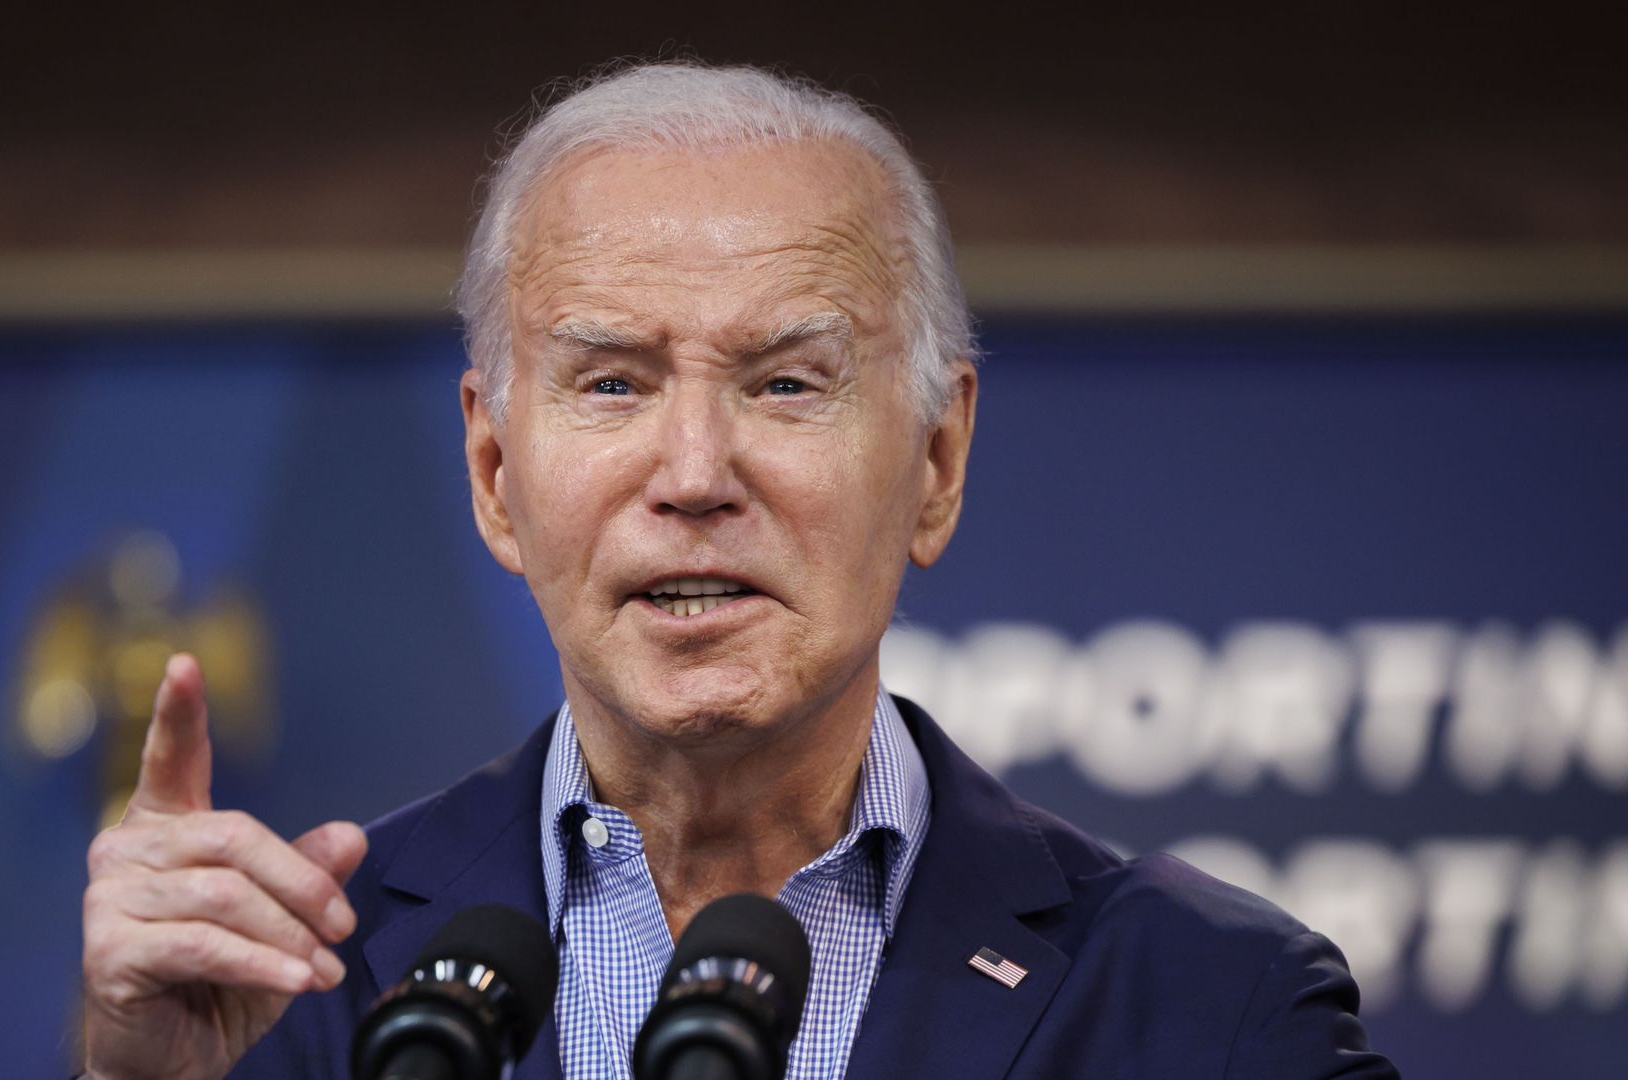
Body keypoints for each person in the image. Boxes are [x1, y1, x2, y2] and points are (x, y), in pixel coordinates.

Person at [78, 62, 1398, 1079]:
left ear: (935, 461)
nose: (696, 471)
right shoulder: (299, 987)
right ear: (494, 476)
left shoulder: (1211, 1009)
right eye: (613, 383)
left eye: (785, 383)